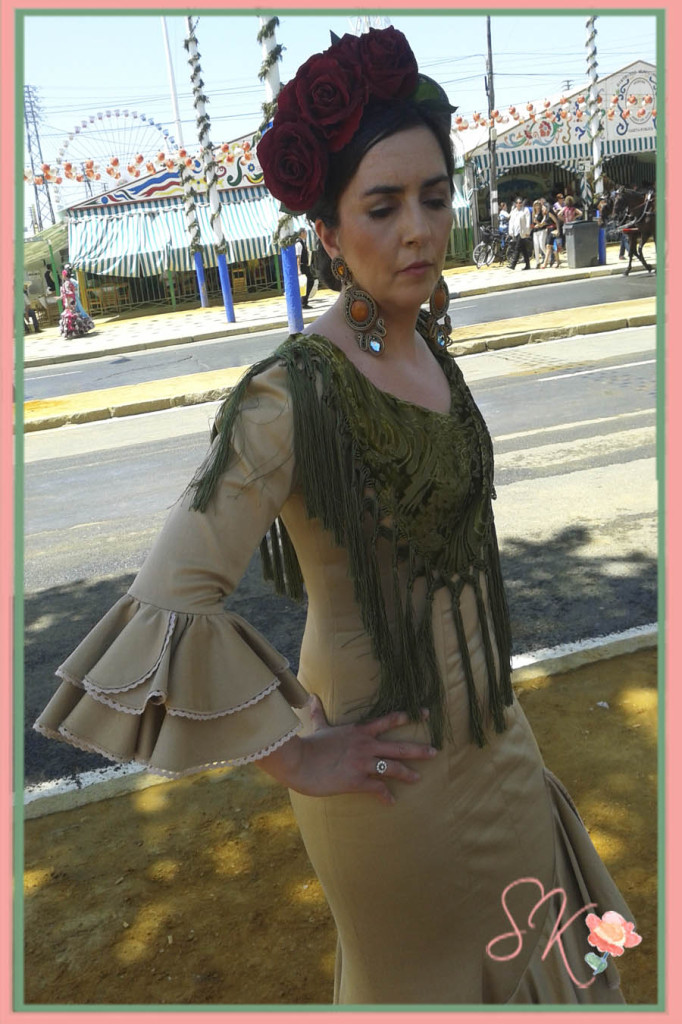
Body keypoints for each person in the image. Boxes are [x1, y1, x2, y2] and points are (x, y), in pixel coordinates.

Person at [35, 27, 635, 1006]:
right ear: (326, 232)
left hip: (501, 745)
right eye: (382, 206)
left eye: (435, 198)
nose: (418, 231)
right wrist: (293, 753)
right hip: (391, 785)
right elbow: (166, 598)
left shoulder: (425, 343)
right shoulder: (291, 393)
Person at [295, 228, 318, 308]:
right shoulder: (299, 244)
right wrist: (299, 270)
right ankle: (303, 302)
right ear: (301, 233)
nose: (306, 234)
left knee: (309, 282)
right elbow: (298, 257)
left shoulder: (302, 243)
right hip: (302, 266)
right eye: (305, 232)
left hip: (305, 266)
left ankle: (304, 301)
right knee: (309, 282)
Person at [507, 196, 532, 269]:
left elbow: (528, 221)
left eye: (520, 203)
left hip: (522, 232)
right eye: (517, 203)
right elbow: (511, 222)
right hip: (516, 232)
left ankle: (513, 264)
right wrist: (510, 231)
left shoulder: (525, 210)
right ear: (515, 204)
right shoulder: (514, 211)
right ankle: (528, 265)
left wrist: (527, 231)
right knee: (523, 249)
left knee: (517, 248)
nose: (519, 204)